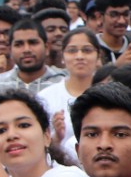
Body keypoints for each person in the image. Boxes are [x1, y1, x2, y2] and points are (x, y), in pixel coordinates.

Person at [38, 28, 106, 163]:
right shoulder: (45, 97)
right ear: (62, 57)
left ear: (98, 56)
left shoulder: (109, 96)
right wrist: (57, 137)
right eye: (72, 50)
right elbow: (38, 147)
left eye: (87, 50)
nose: (79, 56)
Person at [0, 20, 67, 100]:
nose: (26, 49)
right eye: (18, 44)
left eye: (33, 43)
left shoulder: (64, 83)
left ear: (46, 48)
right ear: (10, 50)